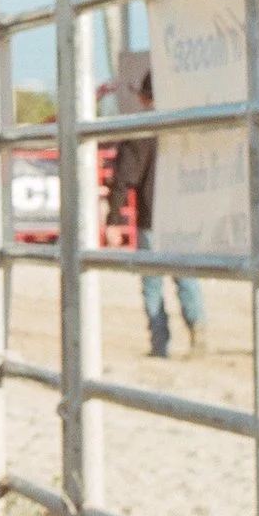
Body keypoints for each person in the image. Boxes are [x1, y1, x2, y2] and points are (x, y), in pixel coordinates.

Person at [108, 77, 202, 357]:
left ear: (144, 98)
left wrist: (114, 220)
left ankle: (159, 343)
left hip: (151, 217)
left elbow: (123, 178)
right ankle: (200, 332)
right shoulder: (185, 127)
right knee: (187, 278)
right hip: (183, 217)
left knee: (152, 283)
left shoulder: (139, 132)